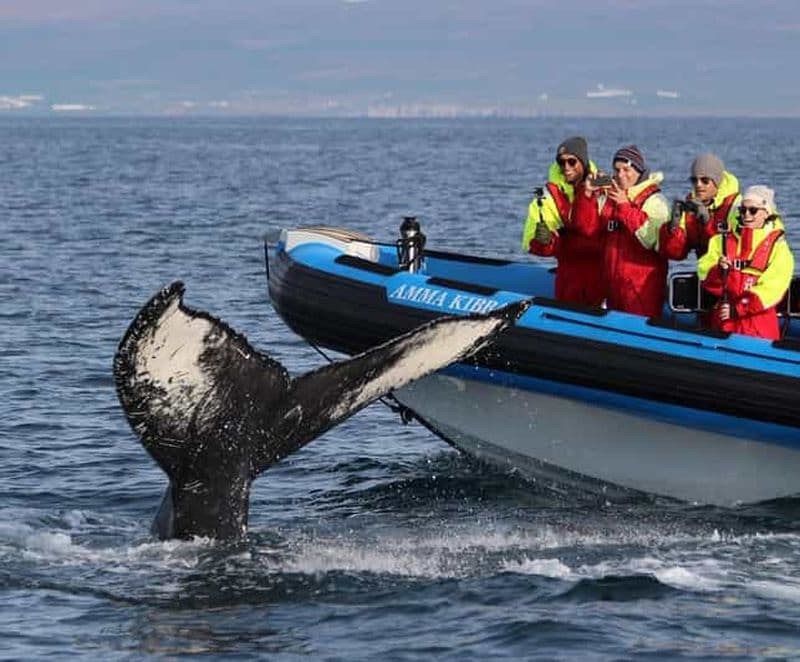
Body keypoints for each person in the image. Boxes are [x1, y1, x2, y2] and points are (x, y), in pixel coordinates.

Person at [572, 144, 670, 318]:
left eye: (627, 170)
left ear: (639, 171)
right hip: (612, 289)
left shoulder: (655, 201)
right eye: (617, 170)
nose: (621, 175)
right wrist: (587, 195)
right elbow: (587, 228)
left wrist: (625, 206)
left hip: (641, 292)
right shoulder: (609, 198)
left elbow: (652, 240)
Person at [697, 185, 794, 339]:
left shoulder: (779, 249)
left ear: (766, 213)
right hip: (723, 322)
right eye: (743, 210)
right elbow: (703, 273)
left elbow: (772, 290)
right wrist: (719, 271)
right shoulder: (720, 241)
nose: (746, 215)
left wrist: (739, 308)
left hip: (758, 327)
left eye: (753, 210)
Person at [521, 136, 604, 306]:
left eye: (572, 162)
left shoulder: (604, 187)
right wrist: (544, 241)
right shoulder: (547, 196)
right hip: (569, 278)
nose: (566, 167)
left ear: (583, 161)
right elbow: (531, 241)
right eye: (562, 162)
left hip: (603, 278)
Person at [659, 153, 741, 260]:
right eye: (694, 180)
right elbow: (676, 254)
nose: (698, 185)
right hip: (705, 273)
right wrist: (672, 228)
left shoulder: (736, 206)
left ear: (717, 182)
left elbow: (734, 251)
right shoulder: (690, 206)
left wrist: (707, 222)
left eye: (705, 181)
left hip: (731, 273)